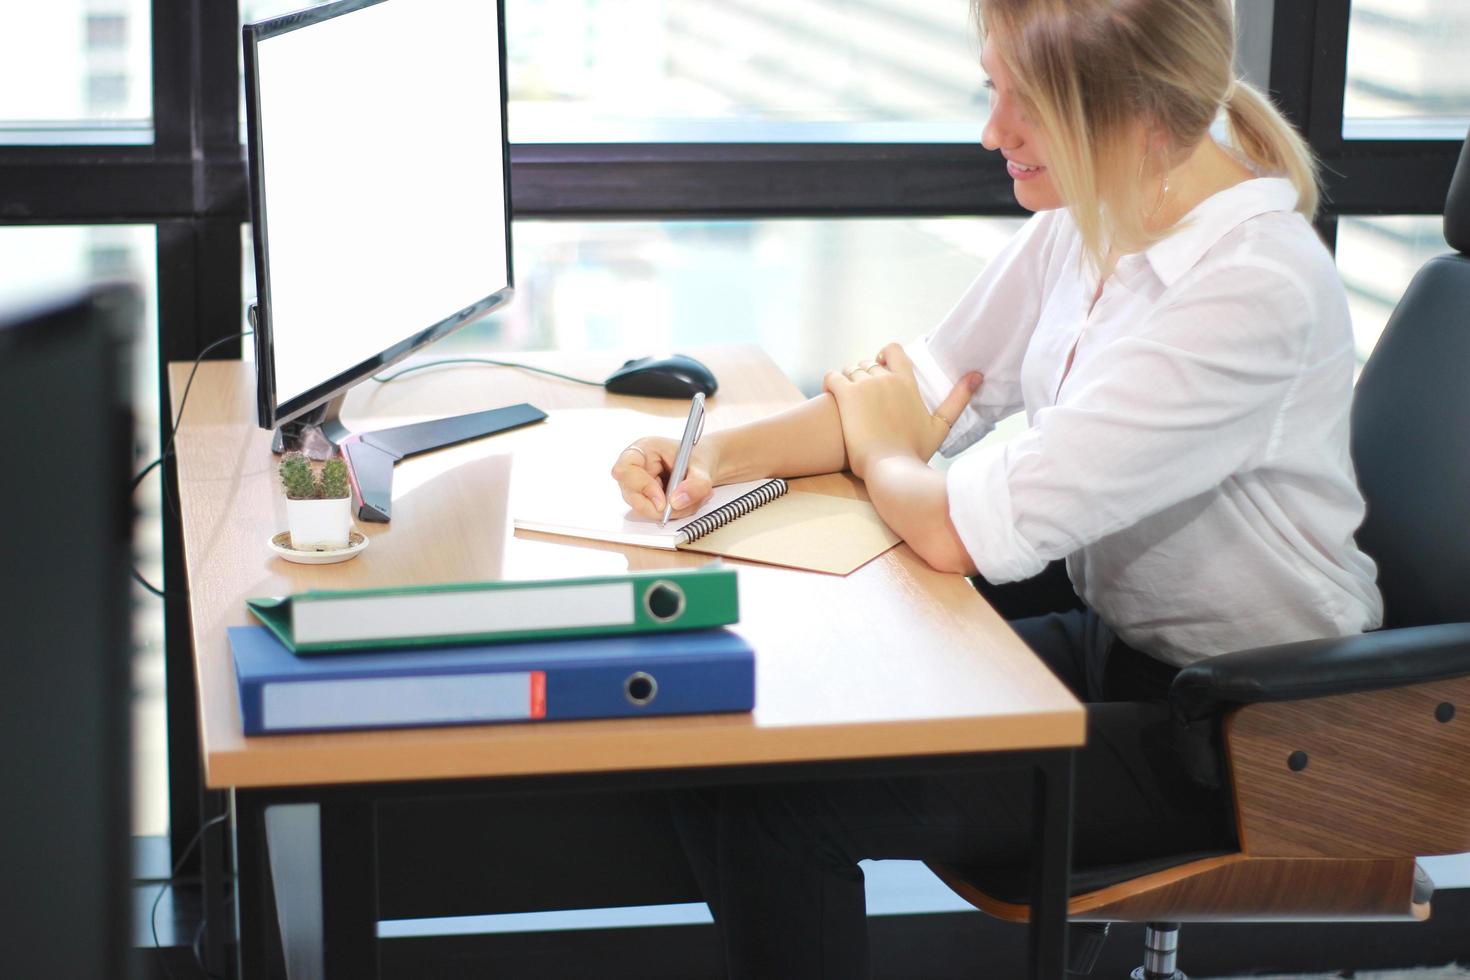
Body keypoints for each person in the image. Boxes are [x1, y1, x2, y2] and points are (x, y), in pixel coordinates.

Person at [609, 0, 1384, 975]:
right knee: (742, 728)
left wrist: (891, 449)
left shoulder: (1251, 290)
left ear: (1136, 111)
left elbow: (953, 529)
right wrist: (713, 451)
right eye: (995, 87)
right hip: (1129, 649)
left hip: (1261, 730)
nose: (993, 130)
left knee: (781, 805)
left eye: (1029, 103)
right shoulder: (1110, 203)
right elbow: (923, 393)